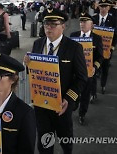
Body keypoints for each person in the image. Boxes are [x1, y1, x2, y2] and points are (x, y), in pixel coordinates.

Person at [24, 9, 87, 154]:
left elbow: (82, 77)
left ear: (63, 26)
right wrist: (28, 65)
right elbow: (35, 74)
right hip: (41, 106)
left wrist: (69, 99)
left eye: (53, 24)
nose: (48, 27)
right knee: (44, 143)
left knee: (66, 140)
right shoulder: (38, 44)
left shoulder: (74, 47)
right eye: (46, 24)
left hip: (62, 106)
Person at [70, 12, 103, 125]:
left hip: (88, 74)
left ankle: (82, 114)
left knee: (85, 95)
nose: (82, 24)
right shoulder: (73, 35)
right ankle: (75, 104)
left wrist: (95, 67)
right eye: (81, 21)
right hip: (74, 73)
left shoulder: (97, 39)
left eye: (85, 22)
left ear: (92, 25)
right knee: (74, 92)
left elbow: (100, 56)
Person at [93, 0, 117, 94]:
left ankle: (103, 85)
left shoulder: (113, 19)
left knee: (105, 68)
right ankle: (93, 92)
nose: (103, 8)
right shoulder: (93, 19)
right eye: (101, 6)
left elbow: (115, 35)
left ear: (109, 8)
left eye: (105, 7)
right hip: (95, 49)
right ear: (98, 7)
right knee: (94, 69)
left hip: (107, 49)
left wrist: (112, 48)